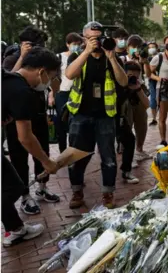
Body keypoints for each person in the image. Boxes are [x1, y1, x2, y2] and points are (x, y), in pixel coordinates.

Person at [65, 21, 129, 209]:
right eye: (92, 38)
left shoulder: (112, 57)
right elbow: (69, 75)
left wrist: (111, 57)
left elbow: (123, 82)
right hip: (80, 114)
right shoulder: (77, 56)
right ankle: (77, 191)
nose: (97, 42)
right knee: (76, 156)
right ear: (84, 38)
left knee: (108, 158)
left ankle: (108, 193)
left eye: (99, 37)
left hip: (105, 115)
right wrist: (86, 52)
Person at [2, 47, 61, 246]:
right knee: (10, 188)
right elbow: (25, 137)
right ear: (41, 71)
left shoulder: (8, 80)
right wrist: (47, 161)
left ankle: (15, 229)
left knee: (12, 185)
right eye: (51, 77)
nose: (49, 83)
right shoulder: (22, 92)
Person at [116, 61, 150, 184]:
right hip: (125, 110)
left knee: (142, 126)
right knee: (128, 134)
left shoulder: (139, 85)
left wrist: (138, 88)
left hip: (138, 106)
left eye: (135, 75)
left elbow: (147, 104)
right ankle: (128, 159)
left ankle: (139, 150)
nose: (132, 78)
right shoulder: (119, 84)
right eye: (130, 75)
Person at [123, 35, 152, 162]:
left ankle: (139, 149)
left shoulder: (142, 59)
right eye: (133, 47)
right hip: (126, 95)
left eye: (137, 47)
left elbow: (149, 74)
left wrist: (144, 61)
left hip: (139, 92)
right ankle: (128, 155)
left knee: (142, 124)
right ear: (128, 47)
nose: (135, 49)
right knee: (127, 124)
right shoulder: (122, 59)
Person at [55, 33, 84, 153]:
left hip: (77, 93)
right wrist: (52, 93)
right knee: (61, 122)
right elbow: (53, 77)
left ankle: (74, 149)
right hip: (62, 93)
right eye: (73, 44)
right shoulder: (59, 57)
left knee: (76, 122)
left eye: (78, 44)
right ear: (67, 44)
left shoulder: (82, 57)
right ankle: (63, 150)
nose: (76, 46)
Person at [146, 42, 159, 126]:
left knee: (164, 100)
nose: (151, 49)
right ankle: (154, 118)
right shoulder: (147, 59)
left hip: (163, 81)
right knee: (153, 100)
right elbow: (148, 72)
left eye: (153, 47)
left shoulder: (161, 57)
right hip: (153, 81)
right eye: (150, 47)